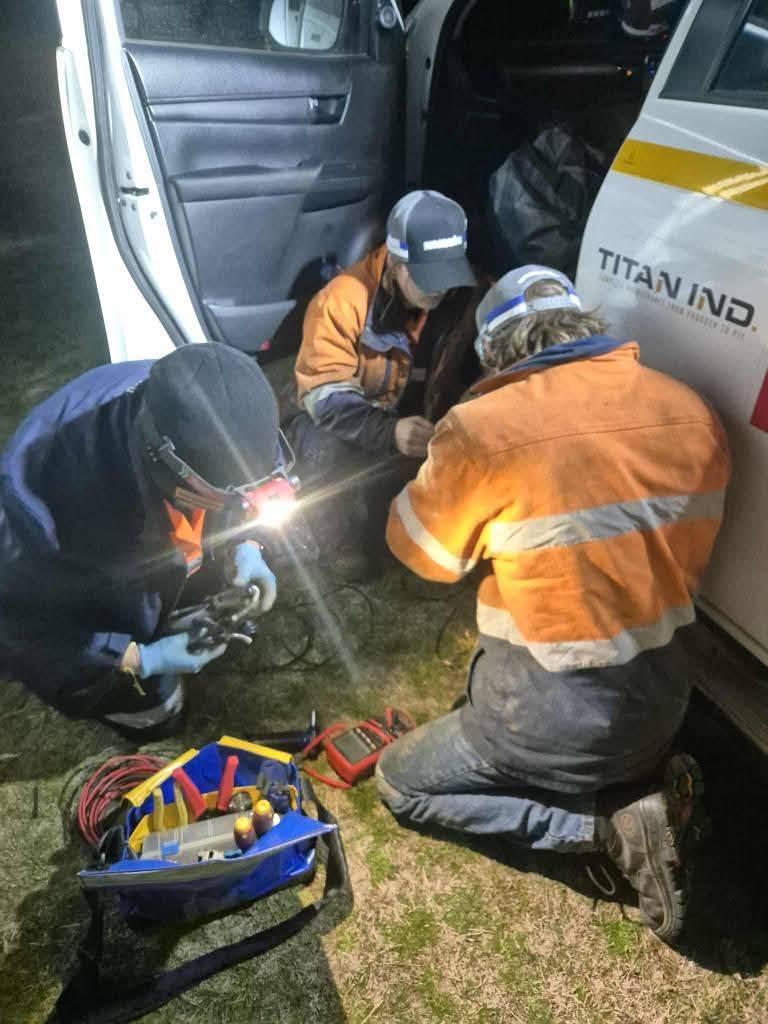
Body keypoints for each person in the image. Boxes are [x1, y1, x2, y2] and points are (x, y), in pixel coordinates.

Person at [376, 264, 731, 942]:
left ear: (497, 352)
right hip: (661, 705)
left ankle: (607, 826)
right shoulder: (694, 411)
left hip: (541, 721)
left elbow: (421, 554)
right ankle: (645, 791)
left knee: (402, 784)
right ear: (582, 325)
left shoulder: (481, 428)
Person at [0, 343, 286, 738]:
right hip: (78, 590)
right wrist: (138, 657)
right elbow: (20, 631)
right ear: (172, 469)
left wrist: (250, 546)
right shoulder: (40, 508)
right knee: (156, 716)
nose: (243, 503)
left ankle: (171, 604)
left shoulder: (218, 406)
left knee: (209, 574)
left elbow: (254, 484)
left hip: (155, 532)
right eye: (231, 496)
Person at [283, 190, 483, 575]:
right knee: (323, 447)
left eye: (447, 272)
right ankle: (335, 537)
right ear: (395, 260)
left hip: (415, 419)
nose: (439, 289)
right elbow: (326, 397)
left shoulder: (466, 297)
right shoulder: (341, 302)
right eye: (428, 276)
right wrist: (390, 432)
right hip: (348, 419)